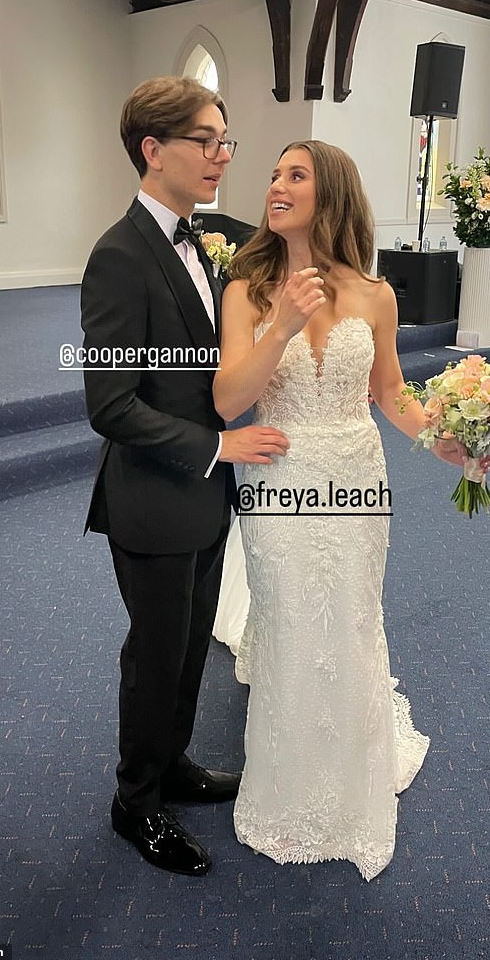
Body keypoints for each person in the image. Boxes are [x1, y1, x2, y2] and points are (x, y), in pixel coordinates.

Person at [213, 140, 490, 879]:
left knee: (349, 612)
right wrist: (280, 324)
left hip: (356, 474)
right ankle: (289, 781)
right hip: (280, 474)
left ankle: (351, 764)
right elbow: (227, 399)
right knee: (293, 615)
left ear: (328, 192)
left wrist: (449, 443)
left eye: (293, 175)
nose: (275, 185)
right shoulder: (245, 287)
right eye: (272, 174)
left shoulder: (376, 294)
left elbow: (392, 393)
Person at [80, 76, 289, 877]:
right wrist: (218, 449)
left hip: (204, 499)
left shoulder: (202, 242)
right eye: (206, 139)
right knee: (156, 654)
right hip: (154, 500)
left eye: (224, 139)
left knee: (192, 648)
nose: (221, 156)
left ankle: (172, 765)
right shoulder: (118, 255)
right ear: (153, 149)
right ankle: (135, 801)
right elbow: (110, 404)